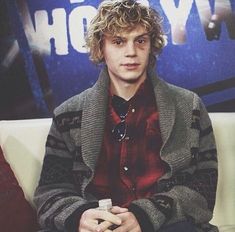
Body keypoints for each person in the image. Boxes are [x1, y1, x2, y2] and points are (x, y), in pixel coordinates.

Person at [34, 1, 218, 231]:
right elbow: (49, 191)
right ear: (101, 48)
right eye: (118, 41)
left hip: (167, 226)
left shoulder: (189, 106)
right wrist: (81, 216)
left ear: (152, 46)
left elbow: (205, 188)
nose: (131, 52)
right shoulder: (67, 114)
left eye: (140, 40)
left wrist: (145, 216)